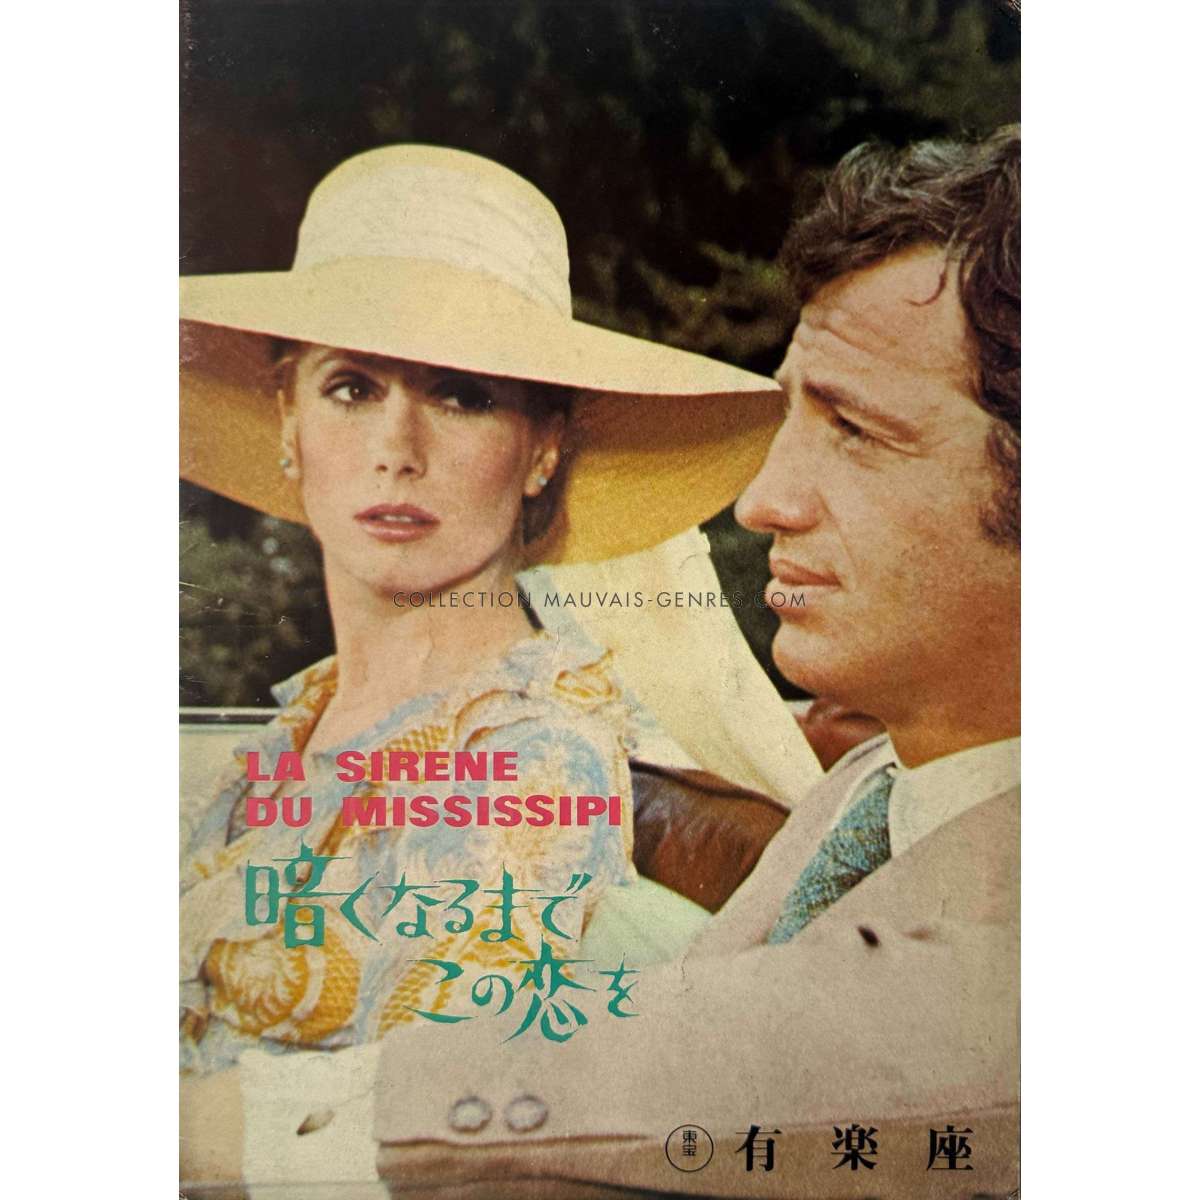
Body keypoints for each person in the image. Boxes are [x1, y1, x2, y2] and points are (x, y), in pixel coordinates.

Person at [369, 127, 1022, 1198]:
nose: (762, 501)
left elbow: (816, 1051)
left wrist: (262, 1122)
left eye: (857, 432)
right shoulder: (883, 785)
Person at [178, 144, 782, 1184]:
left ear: (542, 447)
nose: (397, 448)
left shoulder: (531, 751)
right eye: (351, 387)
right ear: (288, 423)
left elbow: (406, 1135)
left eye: (460, 395)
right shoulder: (298, 726)